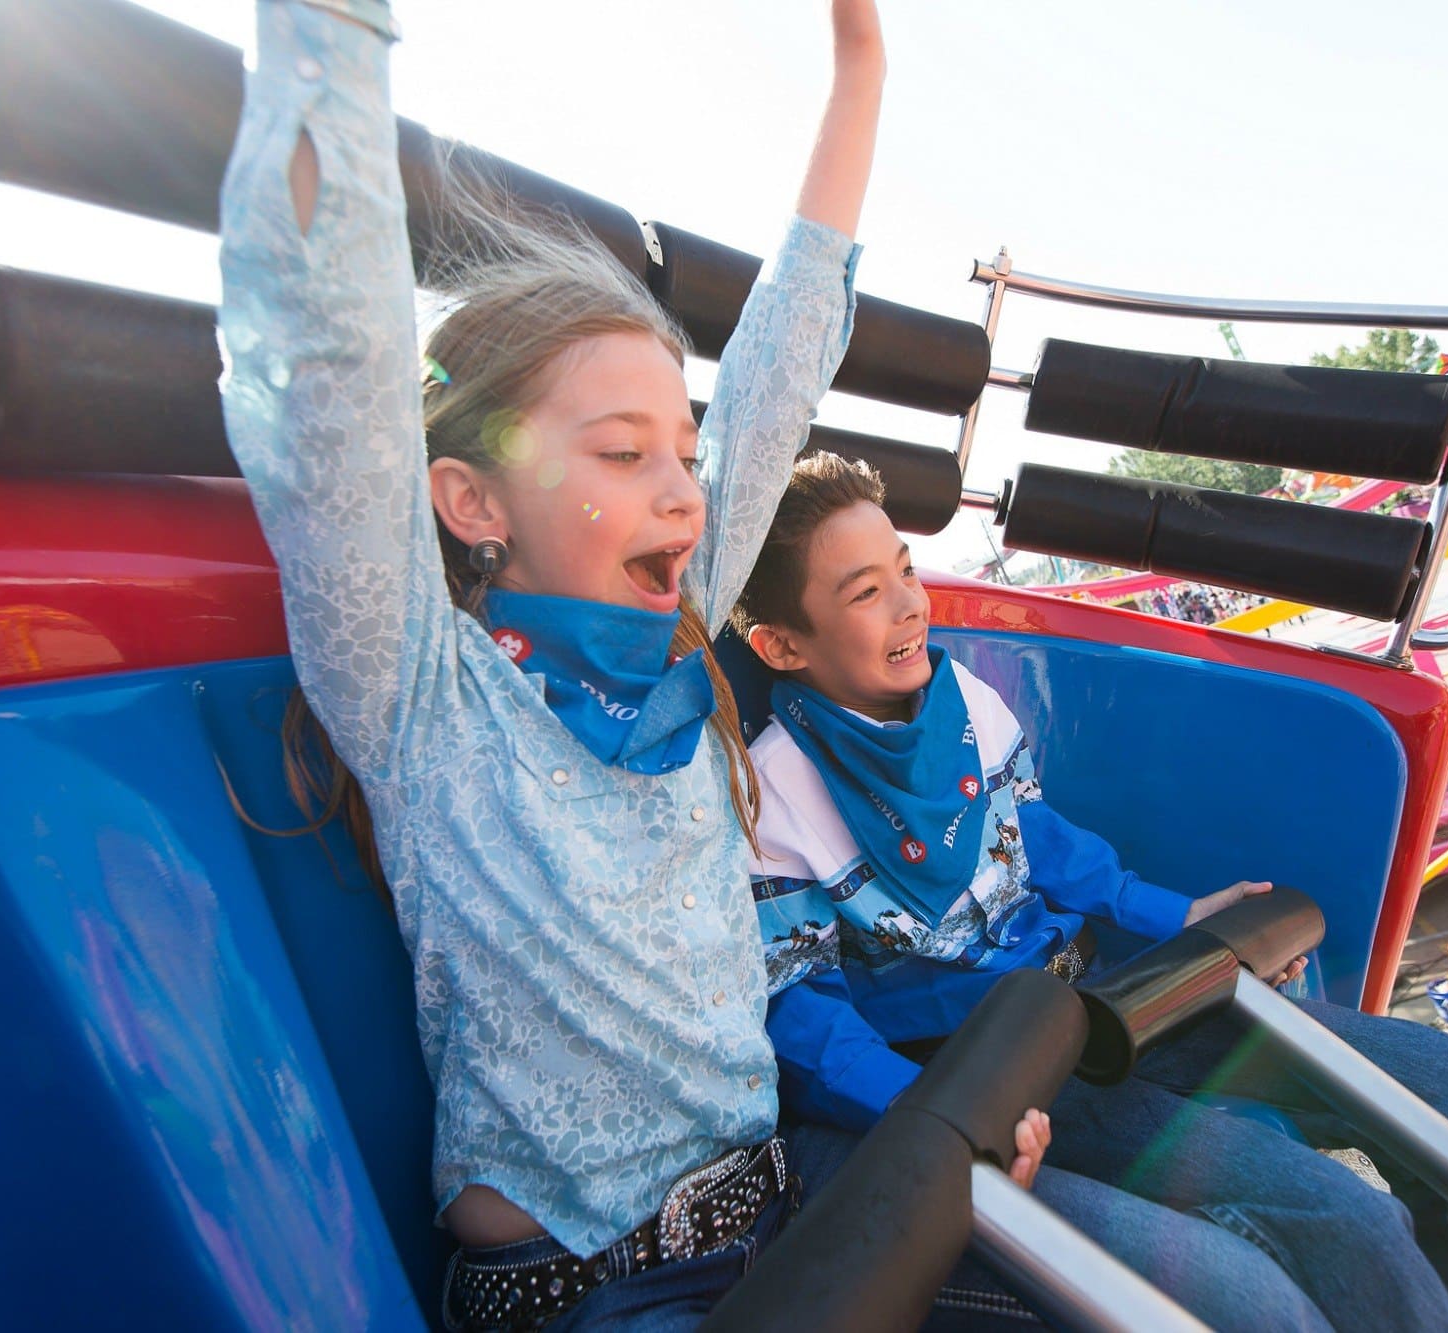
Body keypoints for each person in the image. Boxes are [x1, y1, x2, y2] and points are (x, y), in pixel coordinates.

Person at [217, 5, 1329, 1330]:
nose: (685, 492)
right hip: (597, 1295)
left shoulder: (677, 656)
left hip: (805, 1208)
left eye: (685, 454)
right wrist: (332, 32)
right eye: (625, 455)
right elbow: (326, 370)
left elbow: (783, 357)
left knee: (1253, 1306)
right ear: (469, 501)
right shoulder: (428, 701)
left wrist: (862, 66)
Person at [732, 452, 1448, 1333]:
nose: (911, 603)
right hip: (997, 1067)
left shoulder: (961, 695)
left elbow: (1040, 841)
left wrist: (1176, 915)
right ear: (782, 645)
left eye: (906, 570)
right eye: (865, 592)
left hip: (1100, 1003)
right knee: (1347, 1219)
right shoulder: (775, 802)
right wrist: (941, 1125)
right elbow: (807, 1022)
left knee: (1441, 1077)